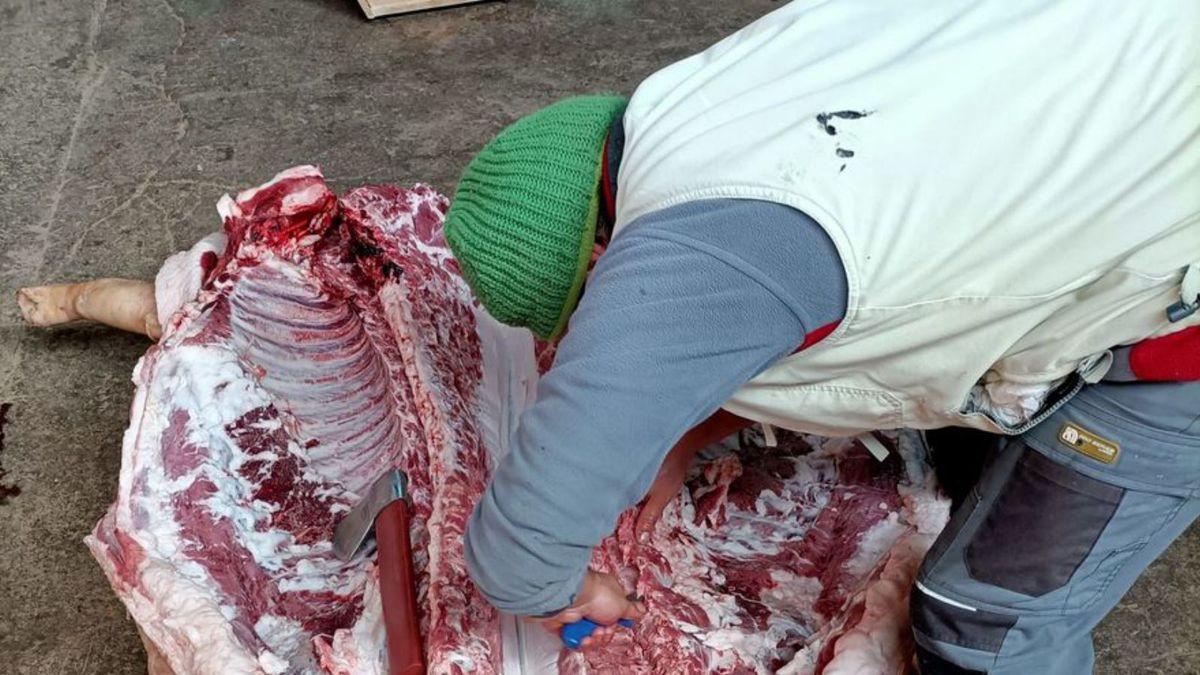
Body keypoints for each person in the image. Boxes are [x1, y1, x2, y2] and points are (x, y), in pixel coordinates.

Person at [439, 1, 1200, 672]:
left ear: (607, 258)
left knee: (986, 621)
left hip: (1174, 302)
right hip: (1144, 81)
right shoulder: (722, 97)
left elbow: (519, 545)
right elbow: (806, 261)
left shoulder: (695, 249)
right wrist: (694, 419)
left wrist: (561, 595)